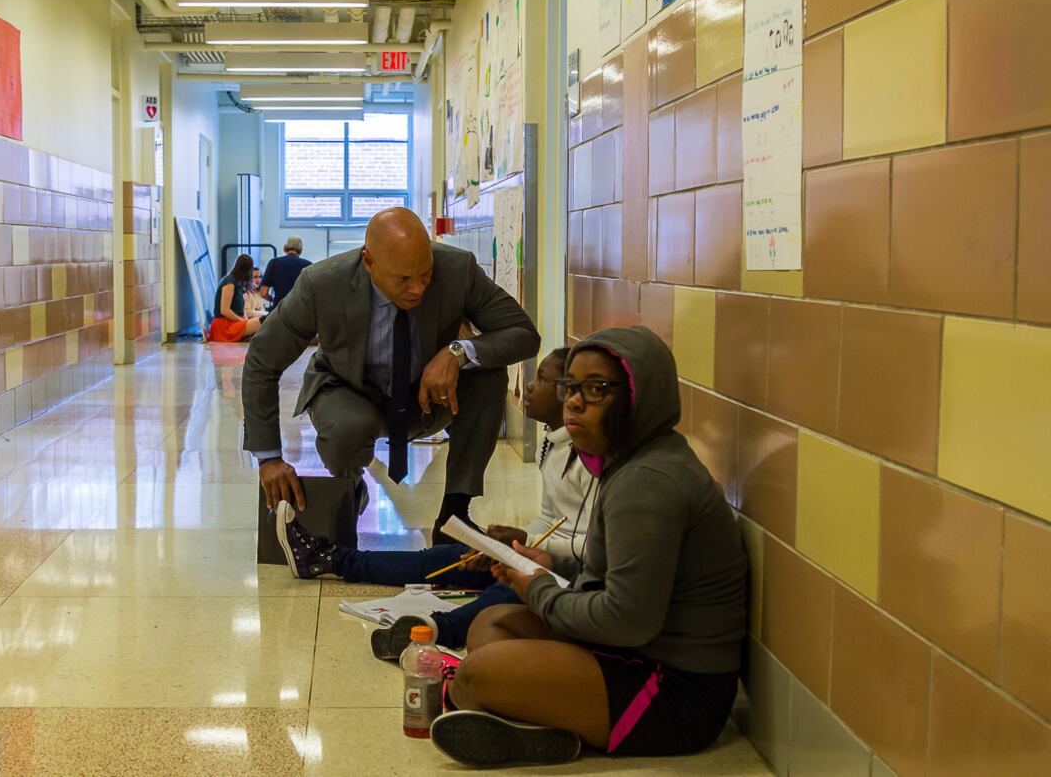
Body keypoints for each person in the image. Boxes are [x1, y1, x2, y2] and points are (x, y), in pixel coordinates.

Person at [428, 326, 748, 769]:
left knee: (476, 674)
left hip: (675, 694)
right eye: (571, 387)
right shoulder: (636, 462)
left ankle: (553, 729)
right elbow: (618, 580)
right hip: (638, 653)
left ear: (639, 397)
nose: (574, 402)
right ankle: (549, 730)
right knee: (491, 624)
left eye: (597, 390)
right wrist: (549, 562)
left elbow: (625, 621)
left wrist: (539, 586)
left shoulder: (647, 483)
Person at [243, 207, 540, 544]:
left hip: (425, 397)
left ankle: (455, 514)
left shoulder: (458, 270)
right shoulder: (322, 284)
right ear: (369, 263)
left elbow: (523, 333)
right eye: (403, 279)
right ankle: (350, 487)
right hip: (349, 390)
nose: (418, 289)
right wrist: (269, 459)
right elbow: (262, 360)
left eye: (425, 274)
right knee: (349, 427)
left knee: (488, 374)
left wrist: (457, 352)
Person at [274, 348, 595, 656]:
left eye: (541, 379)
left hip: (575, 575)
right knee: (448, 558)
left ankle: (439, 629)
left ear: (569, 396)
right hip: (542, 557)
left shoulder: (591, 459)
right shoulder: (553, 444)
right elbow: (550, 518)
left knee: (509, 590)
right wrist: (514, 544)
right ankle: (330, 559)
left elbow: (596, 548)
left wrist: (528, 548)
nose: (528, 385)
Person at [208, 254, 262, 342]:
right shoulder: (230, 283)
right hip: (224, 326)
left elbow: (242, 310)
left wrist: (244, 320)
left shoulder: (237, 283)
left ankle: (246, 337)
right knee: (261, 322)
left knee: (260, 322)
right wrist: (242, 321)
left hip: (232, 322)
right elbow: (224, 311)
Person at [259, 236, 311, 310]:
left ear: (284, 248)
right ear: (301, 250)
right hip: (300, 310)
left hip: (279, 310)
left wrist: (273, 300)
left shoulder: (274, 263)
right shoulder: (308, 265)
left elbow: (263, 293)